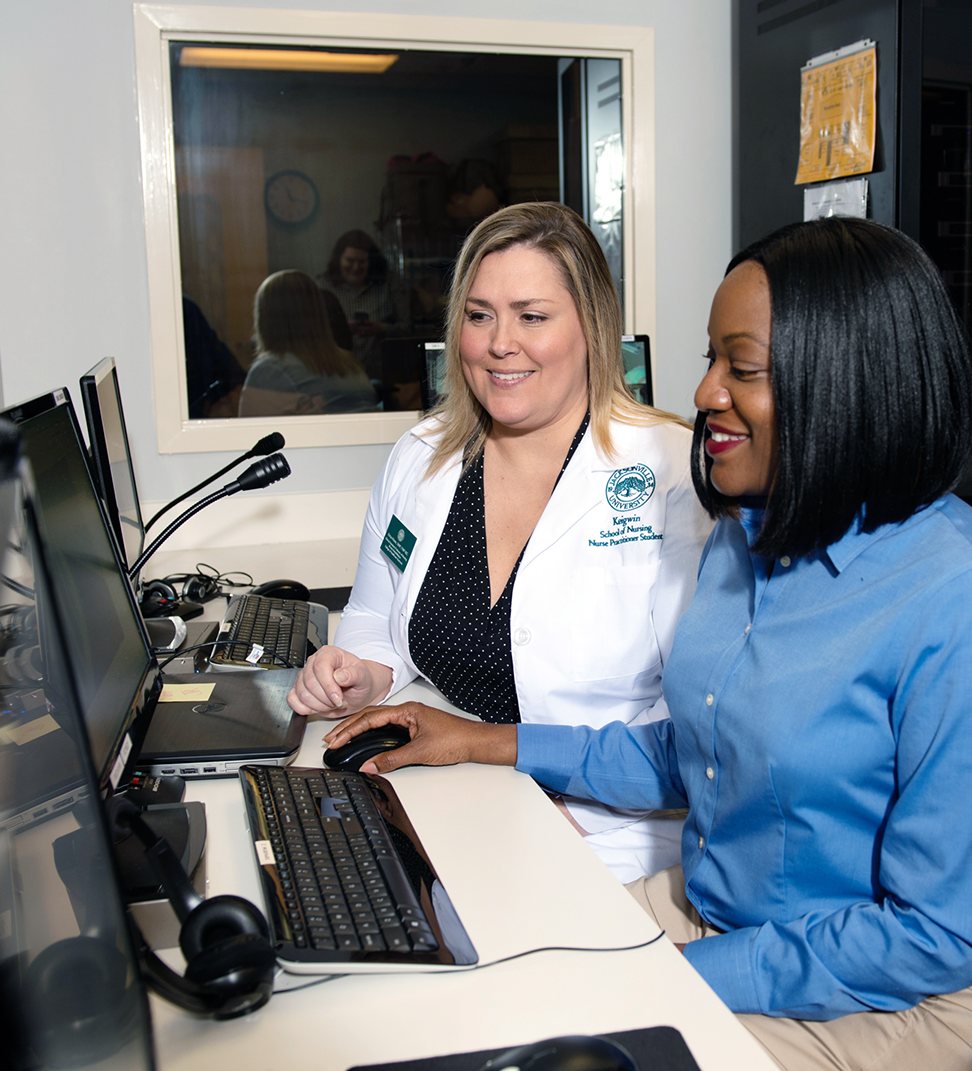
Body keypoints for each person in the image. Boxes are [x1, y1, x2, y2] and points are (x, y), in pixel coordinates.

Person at [321, 217, 972, 1071]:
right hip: (721, 912)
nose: (703, 392)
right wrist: (484, 742)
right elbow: (695, 752)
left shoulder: (946, 597)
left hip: (888, 985)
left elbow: (935, 934)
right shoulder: (752, 534)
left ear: (847, 381)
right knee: (466, 1001)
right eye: (711, 359)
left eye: (741, 367)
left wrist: (671, 972)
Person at [289, 202, 712, 883]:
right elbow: (373, 614)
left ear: (592, 326)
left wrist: (570, 812)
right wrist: (361, 672)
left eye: (531, 316)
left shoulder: (672, 475)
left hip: (607, 833)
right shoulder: (422, 456)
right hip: (457, 801)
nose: (498, 342)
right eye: (479, 314)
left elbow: (698, 727)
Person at [239, 270, 377, 416]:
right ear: (317, 311)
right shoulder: (350, 364)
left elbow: (246, 433)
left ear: (265, 319)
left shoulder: (269, 370)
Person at [316, 230, 403, 381]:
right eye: (350, 260)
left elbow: (409, 329)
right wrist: (340, 329)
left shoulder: (388, 286)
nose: (356, 267)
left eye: (362, 261)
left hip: (384, 376)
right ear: (339, 260)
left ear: (372, 262)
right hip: (336, 376)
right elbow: (311, 332)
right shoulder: (322, 287)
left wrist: (382, 328)